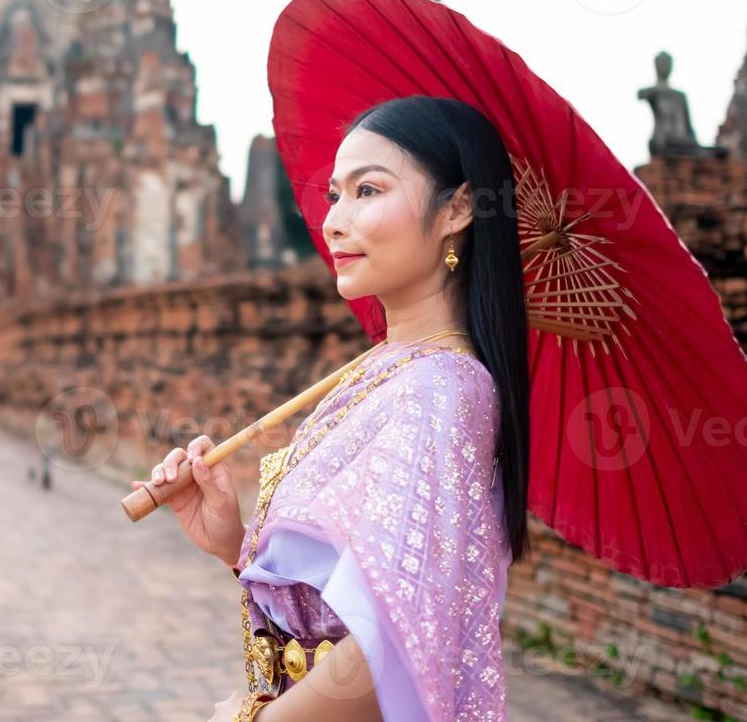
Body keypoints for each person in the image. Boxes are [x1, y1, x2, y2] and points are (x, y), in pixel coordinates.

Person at [133, 96, 531, 721]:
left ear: (457, 209)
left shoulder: (443, 390)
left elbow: (393, 637)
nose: (335, 222)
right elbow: (340, 610)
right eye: (334, 196)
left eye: (368, 191)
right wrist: (232, 541)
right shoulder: (384, 369)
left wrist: (252, 721)